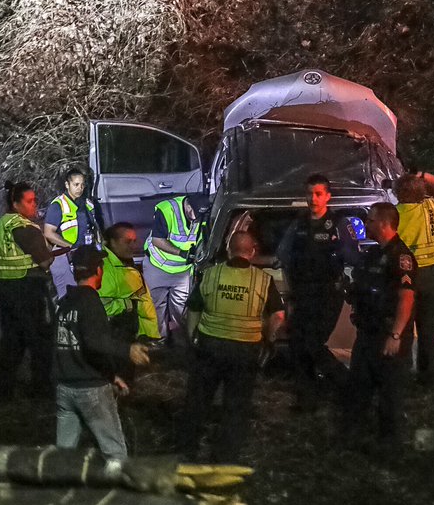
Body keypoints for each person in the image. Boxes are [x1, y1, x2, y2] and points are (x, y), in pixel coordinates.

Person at [180, 231, 284, 462]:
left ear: (228, 250)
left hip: (210, 347)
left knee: (197, 401)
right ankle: (225, 456)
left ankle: (187, 450)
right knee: (236, 406)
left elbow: (194, 308)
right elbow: (278, 315)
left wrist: (193, 337)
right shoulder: (263, 280)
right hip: (244, 351)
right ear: (253, 252)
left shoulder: (210, 274)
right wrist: (267, 338)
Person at [54, 245, 150, 458]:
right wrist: (127, 349)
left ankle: (60, 486)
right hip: (90, 390)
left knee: (64, 454)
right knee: (114, 452)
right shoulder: (90, 301)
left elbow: (75, 346)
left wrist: (110, 376)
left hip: (64, 387)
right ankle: (118, 487)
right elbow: (94, 342)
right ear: (98, 270)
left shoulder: (65, 302)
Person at [276, 172, 359, 412]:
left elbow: (352, 256)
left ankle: (347, 386)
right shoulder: (298, 223)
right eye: (310, 194)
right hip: (302, 294)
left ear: (328, 197)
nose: (313, 198)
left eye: (318, 194)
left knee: (312, 344)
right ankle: (307, 399)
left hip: (327, 294)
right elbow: (283, 255)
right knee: (297, 346)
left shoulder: (339, 224)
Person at [345, 201, 417, 448]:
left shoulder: (401, 256)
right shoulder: (375, 253)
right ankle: (353, 442)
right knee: (358, 389)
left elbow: (406, 298)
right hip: (367, 334)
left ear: (385, 223)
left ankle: (391, 449)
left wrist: (395, 335)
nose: (366, 224)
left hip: (387, 336)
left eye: (371, 220)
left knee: (390, 396)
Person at [0, 180, 55, 399]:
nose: (34, 205)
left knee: (11, 342)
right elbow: (45, 262)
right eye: (29, 201)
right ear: (16, 204)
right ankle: (41, 390)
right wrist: (51, 252)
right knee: (40, 342)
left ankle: (1, 391)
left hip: (4, 291)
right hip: (28, 291)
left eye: (34, 200)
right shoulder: (25, 228)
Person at [395, 170, 434, 386]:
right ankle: (427, 378)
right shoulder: (430, 208)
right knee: (428, 329)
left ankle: (403, 375)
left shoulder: (394, 213)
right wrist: (424, 175)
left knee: (404, 328)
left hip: (405, 277)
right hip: (430, 277)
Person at [142, 195, 199, 342]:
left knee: (181, 310)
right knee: (155, 308)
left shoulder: (202, 214)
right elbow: (157, 240)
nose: (194, 219)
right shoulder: (167, 209)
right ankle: (159, 341)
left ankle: (180, 342)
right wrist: (182, 253)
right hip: (158, 267)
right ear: (188, 206)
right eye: (193, 214)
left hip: (183, 271)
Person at [43, 168, 99, 302]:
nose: (80, 188)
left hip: (84, 256)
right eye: (76, 184)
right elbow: (48, 232)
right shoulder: (58, 205)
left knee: (87, 297)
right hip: (63, 256)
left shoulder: (88, 204)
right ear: (67, 185)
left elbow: (95, 228)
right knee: (67, 298)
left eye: (82, 185)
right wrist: (70, 246)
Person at [99, 223, 159, 341]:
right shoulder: (105, 269)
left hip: (145, 335)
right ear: (112, 242)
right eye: (127, 242)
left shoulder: (124, 261)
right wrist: (129, 304)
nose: (133, 245)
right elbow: (102, 306)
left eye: (134, 241)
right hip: (128, 339)